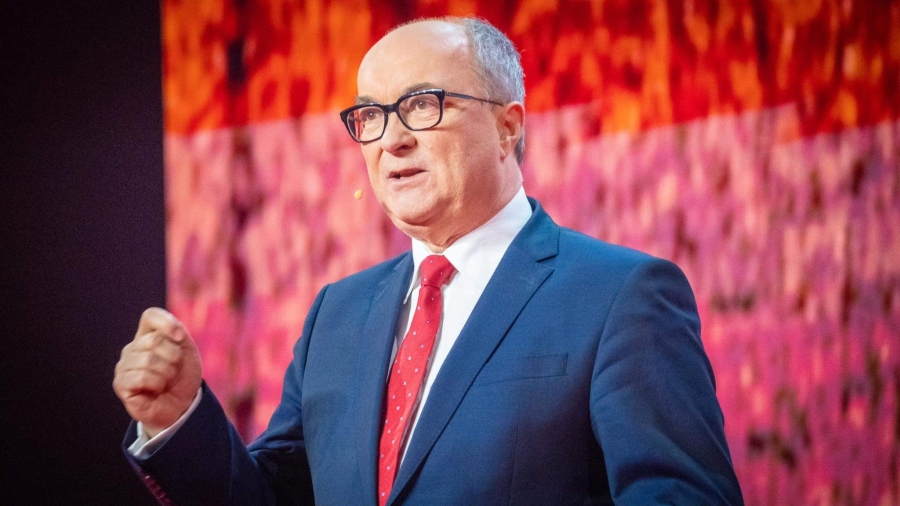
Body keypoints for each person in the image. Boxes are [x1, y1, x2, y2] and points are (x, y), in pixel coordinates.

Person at [113, 16, 743, 505]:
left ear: (507, 127)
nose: (392, 138)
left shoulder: (620, 296)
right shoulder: (338, 315)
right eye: (371, 116)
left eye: (422, 104)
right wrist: (178, 418)